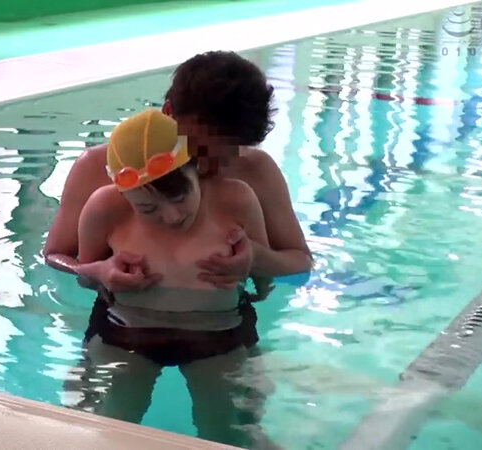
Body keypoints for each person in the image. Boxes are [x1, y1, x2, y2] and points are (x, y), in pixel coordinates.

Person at [73, 108, 274, 446]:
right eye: (147, 208)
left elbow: (264, 278)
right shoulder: (104, 207)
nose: (170, 216)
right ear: (123, 194)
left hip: (219, 332)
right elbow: (84, 276)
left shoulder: (236, 200)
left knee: (224, 433)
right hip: (126, 330)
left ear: (196, 168)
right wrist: (102, 272)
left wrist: (252, 262)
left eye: (180, 197)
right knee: (109, 430)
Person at [43, 50, 311, 297]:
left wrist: (256, 258)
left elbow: (300, 260)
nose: (210, 167)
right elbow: (54, 255)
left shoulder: (256, 171)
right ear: (169, 113)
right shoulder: (96, 168)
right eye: (199, 150)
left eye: (229, 154)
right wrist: (96, 271)